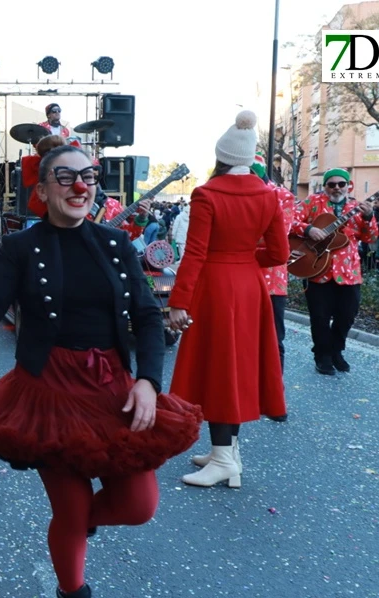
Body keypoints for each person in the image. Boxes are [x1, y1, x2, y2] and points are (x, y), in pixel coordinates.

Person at [0, 144, 202, 598]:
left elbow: (146, 318)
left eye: (89, 175)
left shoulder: (116, 244)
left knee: (139, 505)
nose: (80, 186)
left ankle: (78, 526)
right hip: (49, 392)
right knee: (71, 508)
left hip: (112, 388)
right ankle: (72, 590)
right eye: (64, 177)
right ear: (41, 189)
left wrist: (148, 382)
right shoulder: (23, 247)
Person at [167, 111, 289, 488]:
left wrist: (178, 300)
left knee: (220, 366)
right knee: (236, 366)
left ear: (221, 156)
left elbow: (196, 253)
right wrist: (248, 260)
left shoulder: (207, 193)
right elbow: (279, 252)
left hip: (217, 286)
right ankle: (227, 450)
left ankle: (223, 458)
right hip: (250, 285)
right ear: (251, 157)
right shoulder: (268, 195)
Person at [291, 168, 377, 375]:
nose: (337, 188)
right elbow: (290, 221)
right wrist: (309, 229)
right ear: (325, 186)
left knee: (347, 315)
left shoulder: (356, 207)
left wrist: (368, 217)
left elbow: (370, 238)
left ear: (348, 186)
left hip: (348, 271)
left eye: (341, 184)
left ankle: (336, 350)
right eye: (332, 184)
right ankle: (323, 356)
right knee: (319, 316)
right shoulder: (312, 203)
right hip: (318, 267)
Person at [251, 153, 298, 423]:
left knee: (273, 339)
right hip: (239, 276)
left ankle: (274, 395)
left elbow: (276, 236)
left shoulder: (282, 196)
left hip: (272, 280)